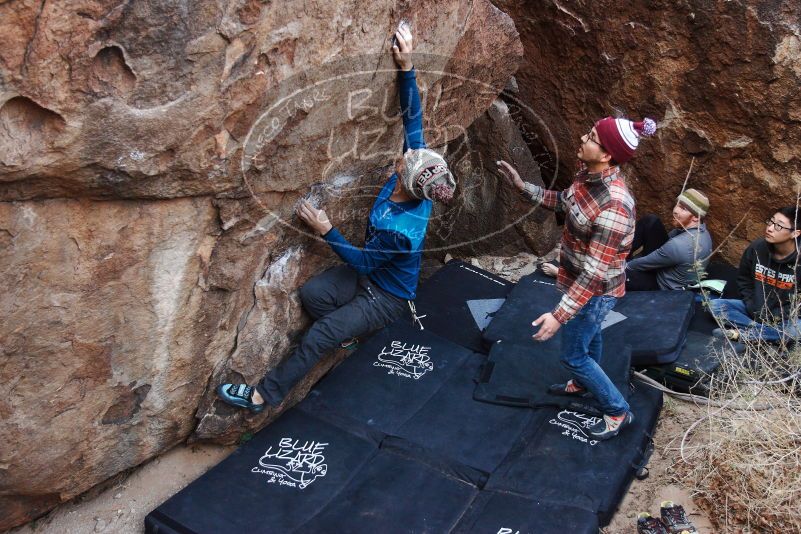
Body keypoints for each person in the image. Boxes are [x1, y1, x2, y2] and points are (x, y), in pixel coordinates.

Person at [217, 25, 456, 413]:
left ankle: (264, 395)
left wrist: (326, 228)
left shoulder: (402, 231)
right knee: (313, 295)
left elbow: (361, 261)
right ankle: (350, 331)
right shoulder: (417, 180)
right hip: (369, 276)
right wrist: (407, 67)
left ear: (407, 180)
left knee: (321, 334)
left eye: (408, 159)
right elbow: (414, 121)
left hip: (386, 296)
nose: (408, 152)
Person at [498, 114, 655, 440]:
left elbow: (595, 274)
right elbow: (564, 201)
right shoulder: (587, 178)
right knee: (590, 337)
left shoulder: (614, 205)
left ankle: (617, 410)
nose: (583, 138)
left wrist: (558, 315)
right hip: (580, 285)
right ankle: (585, 383)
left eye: (592, 136)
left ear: (607, 154)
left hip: (595, 291)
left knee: (573, 355)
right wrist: (522, 188)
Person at [708, 207, 801, 344]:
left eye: (778, 226)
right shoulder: (757, 247)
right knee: (713, 305)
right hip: (754, 310)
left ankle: (745, 335)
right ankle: (765, 334)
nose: (770, 228)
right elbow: (744, 279)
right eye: (771, 222)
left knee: (796, 329)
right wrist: (752, 305)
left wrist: (778, 316)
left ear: (795, 233)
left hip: (784, 318)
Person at [625, 188, 713, 291]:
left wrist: (620, 265)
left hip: (662, 285)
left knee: (617, 274)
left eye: (683, 209)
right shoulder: (702, 231)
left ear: (696, 217)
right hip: (669, 263)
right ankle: (623, 254)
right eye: (678, 205)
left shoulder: (679, 245)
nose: (675, 210)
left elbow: (637, 265)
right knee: (651, 221)